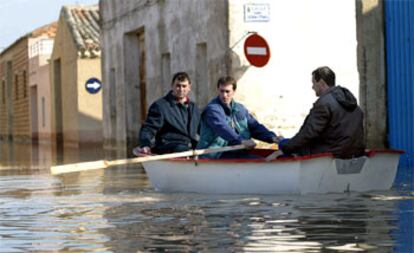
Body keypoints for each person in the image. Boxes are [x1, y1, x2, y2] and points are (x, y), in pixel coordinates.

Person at [278, 66, 366, 158]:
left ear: (321, 83)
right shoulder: (352, 102)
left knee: (284, 145)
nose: (312, 87)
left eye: (313, 83)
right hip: (354, 152)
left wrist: (284, 148)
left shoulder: (324, 103)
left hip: (331, 154)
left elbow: (308, 133)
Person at [197, 76, 281, 159]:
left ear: (234, 91)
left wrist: (272, 137)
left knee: (263, 159)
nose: (224, 95)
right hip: (216, 154)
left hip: (237, 151)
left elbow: (254, 127)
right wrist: (241, 141)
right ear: (218, 90)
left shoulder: (240, 109)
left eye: (227, 91)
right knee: (258, 161)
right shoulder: (212, 109)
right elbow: (223, 128)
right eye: (221, 91)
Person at [133, 72, 200, 156]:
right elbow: (149, 128)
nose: (181, 89)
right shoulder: (160, 106)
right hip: (169, 146)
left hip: (189, 146)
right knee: (181, 148)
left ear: (189, 87)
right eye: (178, 86)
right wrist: (145, 144)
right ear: (172, 86)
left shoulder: (194, 108)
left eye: (184, 86)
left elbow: (201, 129)